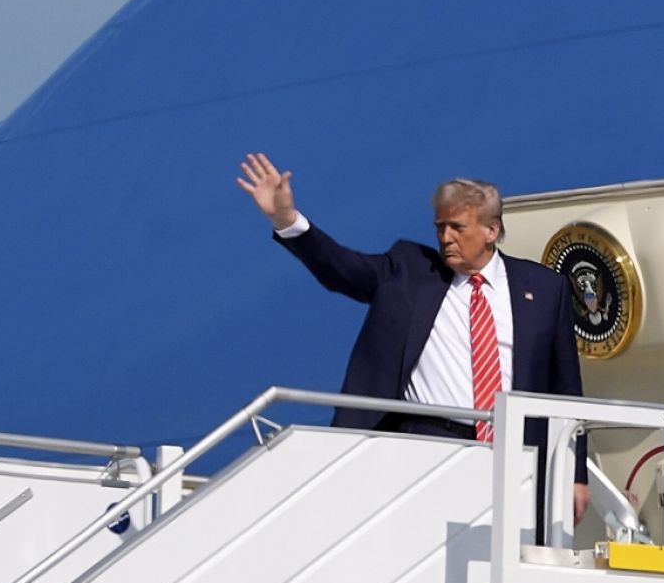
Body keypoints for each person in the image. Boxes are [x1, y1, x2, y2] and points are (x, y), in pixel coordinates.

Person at [236, 153, 590, 524]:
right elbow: (343, 268)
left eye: (457, 227)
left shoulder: (545, 289)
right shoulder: (409, 271)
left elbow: (566, 391)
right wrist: (287, 220)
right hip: (425, 448)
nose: (445, 238)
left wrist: (576, 474)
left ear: (491, 230)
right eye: (440, 227)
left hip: (514, 456)